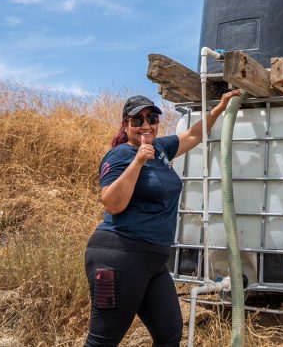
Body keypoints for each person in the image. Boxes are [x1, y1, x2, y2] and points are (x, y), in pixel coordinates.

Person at [84, 90, 241, 347]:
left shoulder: (160, 149)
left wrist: (220, 107)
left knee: (169, 334)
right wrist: (136, 163)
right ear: (126, 125)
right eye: (137, 121)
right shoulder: (120, 155)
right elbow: (112, 203)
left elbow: (193, 135)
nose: (146, 125)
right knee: (103, 341)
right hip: (120, 255)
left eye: (152, 118)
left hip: (154, 261)